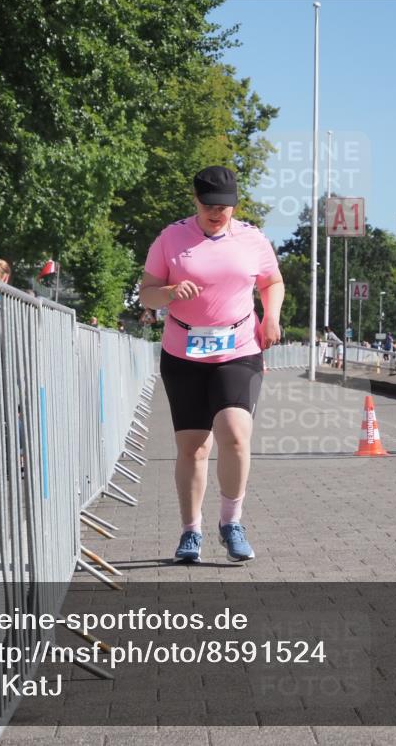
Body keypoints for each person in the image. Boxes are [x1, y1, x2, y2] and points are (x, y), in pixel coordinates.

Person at [139, 165, 284, 563]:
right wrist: (167, 292)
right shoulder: (171, 238)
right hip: (183, 351)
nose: (217, 213)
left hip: (237, 346)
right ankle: (190, 532)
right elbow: (146, 294)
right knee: (193, 448)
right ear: (195, 201)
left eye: (225, 207)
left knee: (236, 434)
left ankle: (231, 521)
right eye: (208, 206)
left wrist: (270, 316)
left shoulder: (252, 239)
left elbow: (272, 281)